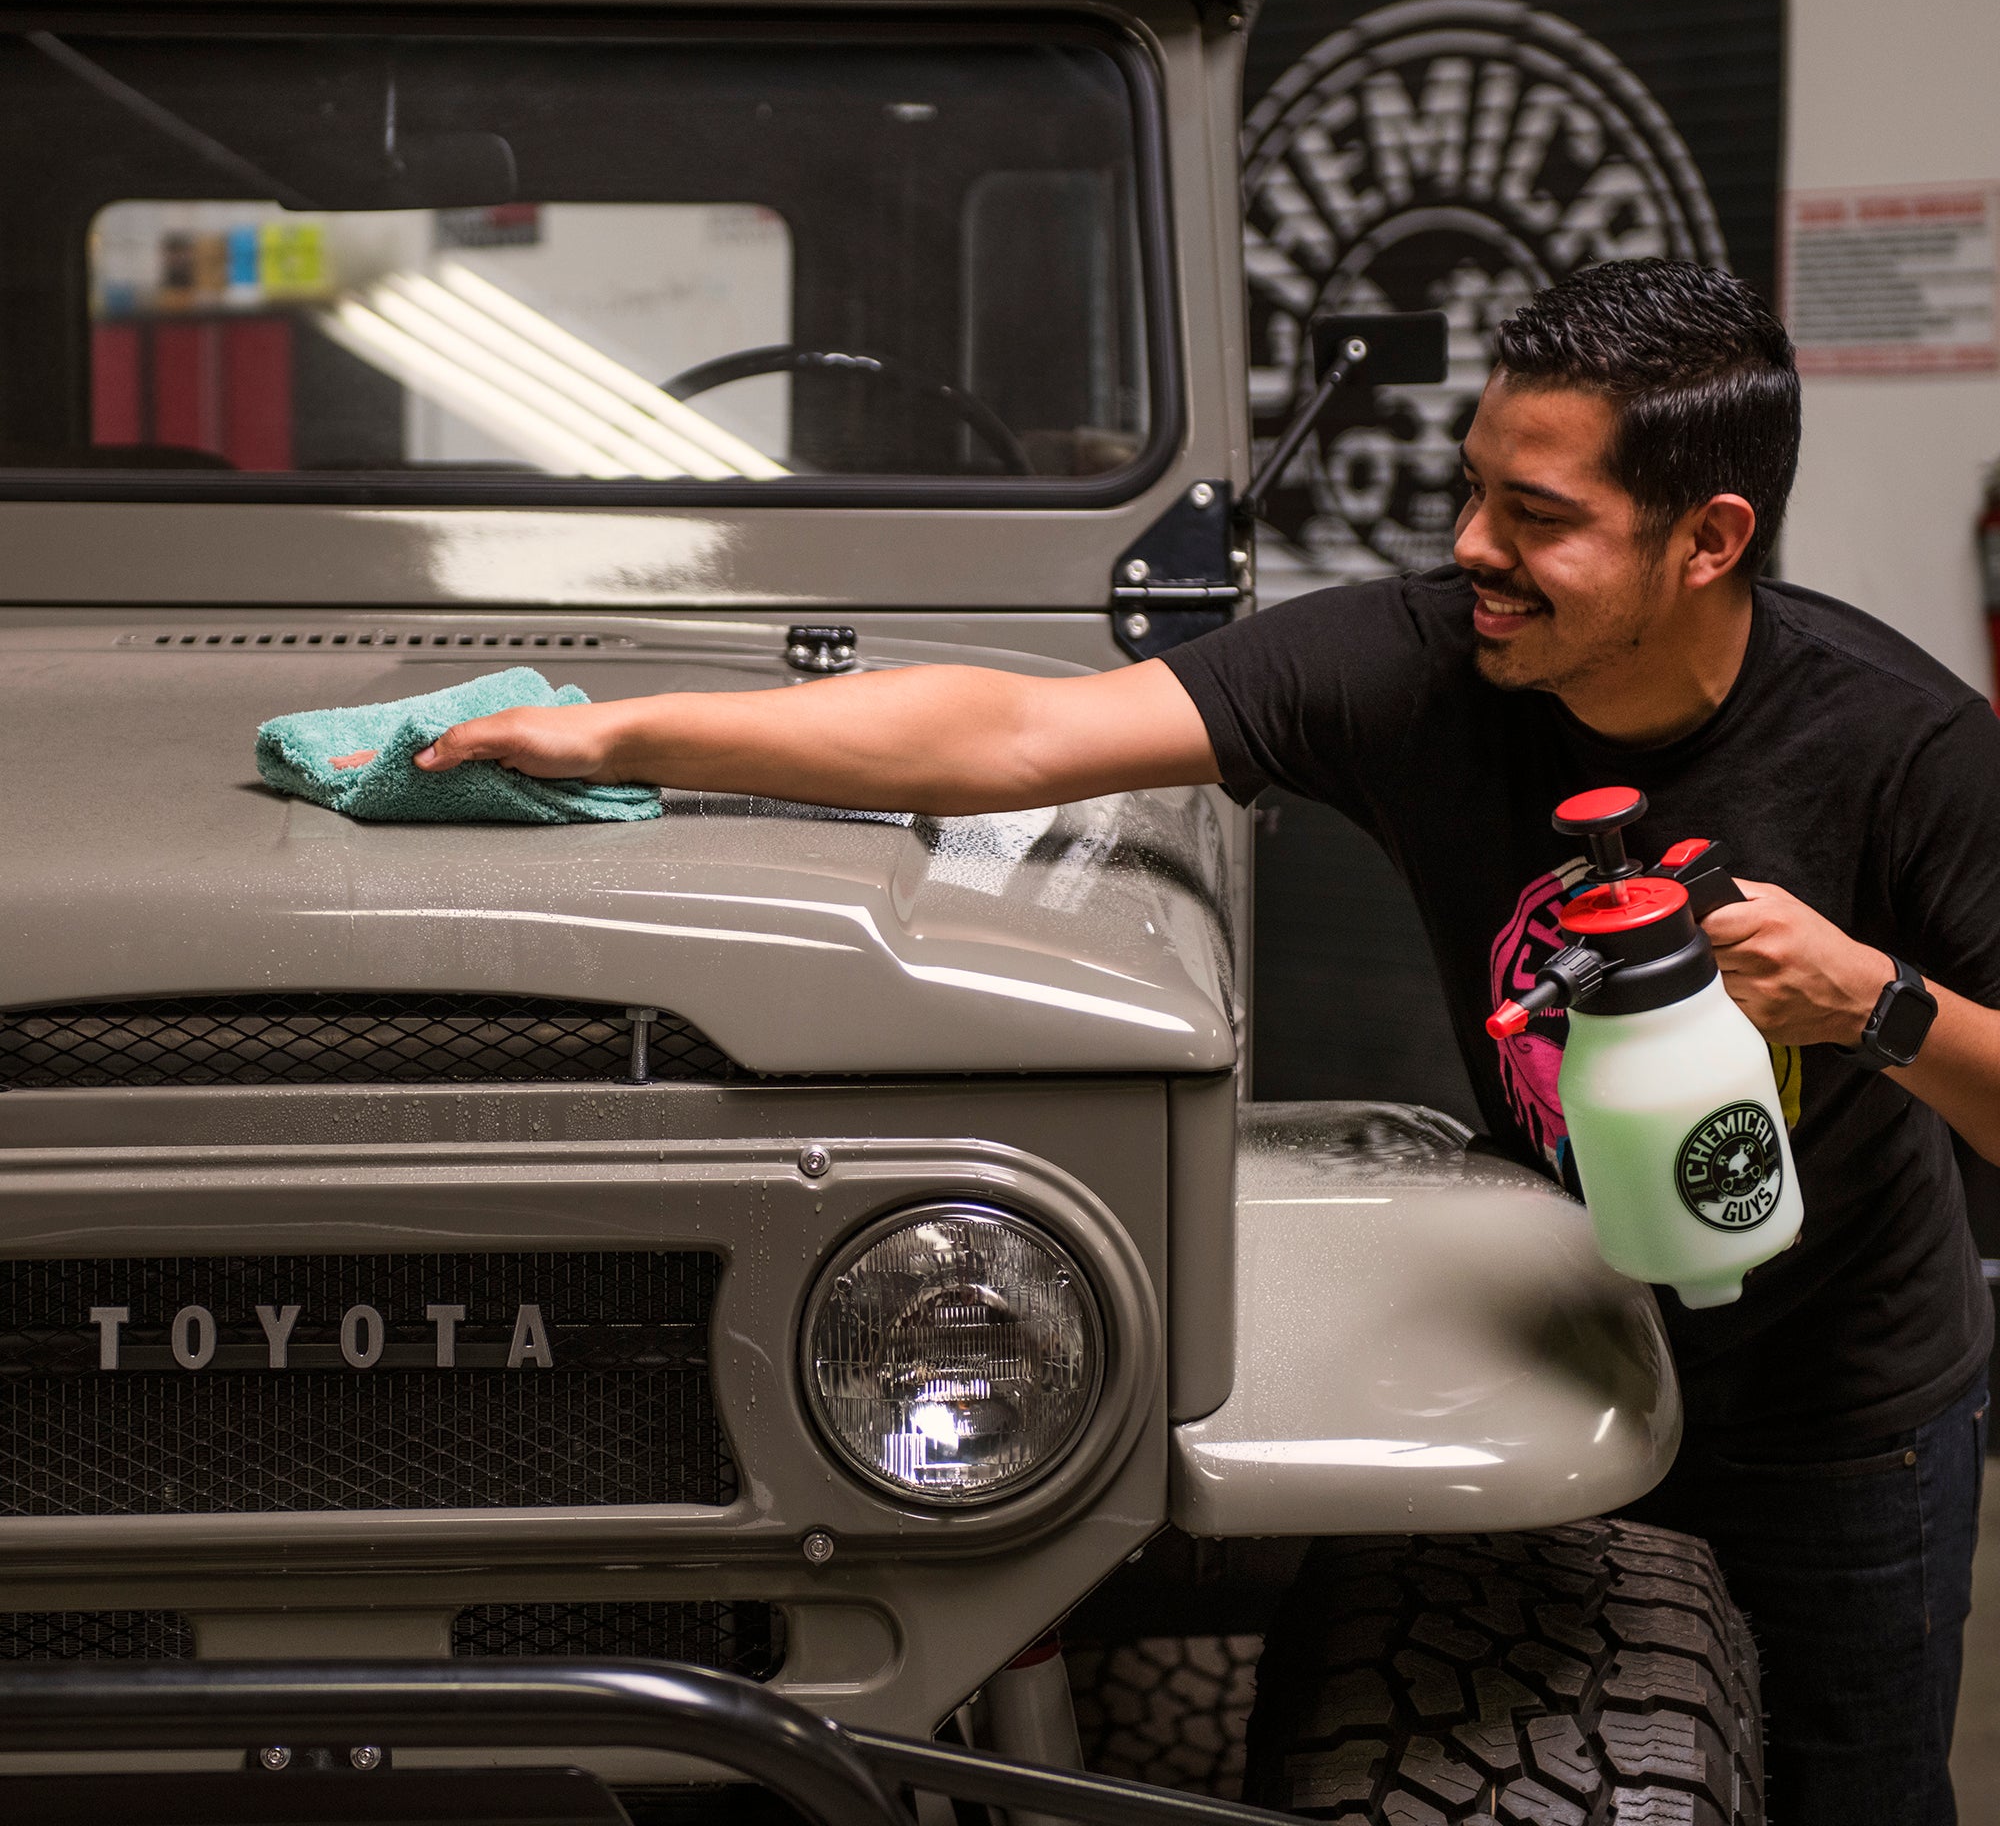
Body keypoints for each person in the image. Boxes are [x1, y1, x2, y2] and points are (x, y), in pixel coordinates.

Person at [417, 258, 2000, 1824]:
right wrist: (611, 733)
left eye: (1537, 515)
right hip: (1563, 1340)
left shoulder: (1902, 744)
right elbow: (1018, 735)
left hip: (1839, 1408)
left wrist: (1880, 1005)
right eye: (1472, 491)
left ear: (1710, 540)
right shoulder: (1421, 661)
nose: (1471, 546)